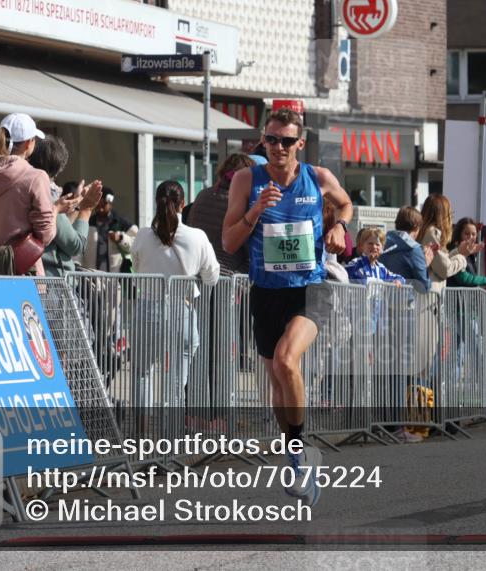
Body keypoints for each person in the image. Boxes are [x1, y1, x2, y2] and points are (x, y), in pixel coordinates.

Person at [221, 108, 352, 507]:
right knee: (277, 384)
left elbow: (346, 204)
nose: (278, 147)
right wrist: (256, 210)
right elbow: (228, 242)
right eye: (271, 139)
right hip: (266, 291)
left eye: (286, 141)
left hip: (309, 289)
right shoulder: (246, 180)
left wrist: (340, 226)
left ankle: (298, 450)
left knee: (285, 360)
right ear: (263, 140)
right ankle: (297, 454)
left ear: (300, 143)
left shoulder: (318, 177)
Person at [133, 180, 220, 390]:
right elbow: (212, 277)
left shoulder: (143, 235)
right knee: (176, 383)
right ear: (183, 204)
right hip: (182, 311)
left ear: (157, 202)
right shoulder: (197, 237)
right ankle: (173, 412)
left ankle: (142, 414)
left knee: (142, 374)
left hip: (147, 310)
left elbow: (136, 267)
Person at [0, 113, 56, 275]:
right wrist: (56, 211)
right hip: (24, 266)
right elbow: (45, 234)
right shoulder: (36, 177)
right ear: (28, 143)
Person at [28, 135, 103, 277]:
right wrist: (86, 209)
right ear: (59, 168)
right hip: (52, 280)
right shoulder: (47, 196)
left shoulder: (26, 188)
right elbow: (76, 246)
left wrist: (77, 204)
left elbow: (61, 231)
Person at [188, 153, 256, 275]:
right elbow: (251, 249)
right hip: (228, 276)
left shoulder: (203, 195)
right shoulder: (243, 203)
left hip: (197, 272)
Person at [417, 194, 479, 292]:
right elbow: (445, 269)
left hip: (429, 294)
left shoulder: (427, 231)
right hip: (429, 295)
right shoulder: (431, 233)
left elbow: (442, 261)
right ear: (442, 215)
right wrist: (462, 256)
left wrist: (458, 252)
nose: (450, 217)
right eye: (449, 213)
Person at [83, 187, 138, 273]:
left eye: (103, 205)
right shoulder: (87, 222)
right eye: (98, 205)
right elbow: (79, 248)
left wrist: (121, 238)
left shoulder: (121, 223)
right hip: (92, 277)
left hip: (115, 277)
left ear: (110, 204)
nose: (100, 208)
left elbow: (136, 245)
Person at [380, 207, 433, 293]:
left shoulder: (380, 243)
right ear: (416, 227)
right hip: (403, 298)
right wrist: (425, 264)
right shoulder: (413, 249)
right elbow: (424, 287)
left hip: (378, 297)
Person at [446, 218, 486, 288]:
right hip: (455, 294)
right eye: (467, 234)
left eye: (473, 234)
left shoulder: (470, 253)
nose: (470, 237)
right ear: (459, 234)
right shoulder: (454, 251)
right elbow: (464, 279)